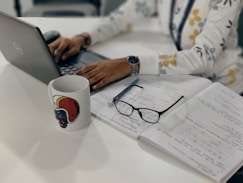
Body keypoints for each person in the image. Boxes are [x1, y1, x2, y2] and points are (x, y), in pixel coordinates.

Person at [49, 0, 243, 94]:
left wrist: (131, 64)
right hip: (182, 75)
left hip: (220, 84)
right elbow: (126, 14)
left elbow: (203, 58)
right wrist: (84, 38)